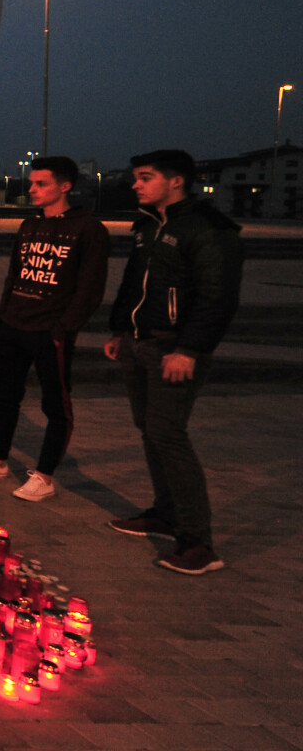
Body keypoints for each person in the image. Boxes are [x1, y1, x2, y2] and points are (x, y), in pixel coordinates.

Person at [104, 149, 242, 576]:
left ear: (176, 181)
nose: (136, 184)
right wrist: (120, 331)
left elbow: (217, 297)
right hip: (139, 344)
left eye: (145, 177)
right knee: (150, 430)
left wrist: (189, 350)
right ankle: (165, 514)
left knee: (169, 435)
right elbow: (133, 283)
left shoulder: (207, 229)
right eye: (136, 177)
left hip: (173, 350)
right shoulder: (148, 225)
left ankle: (198, 543)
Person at [0, 156, 110, 500]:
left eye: (41, 183)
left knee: (56, 407)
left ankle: (44, 476)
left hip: (49, 332)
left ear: (65, 186)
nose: (32, 189)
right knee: (5, 397)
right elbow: (15, 273)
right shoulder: (29, 226)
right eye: (32, 183)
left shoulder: (88, 229)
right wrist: (3, 314)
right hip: (11, 326)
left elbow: (90, 288)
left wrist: (62, 329)